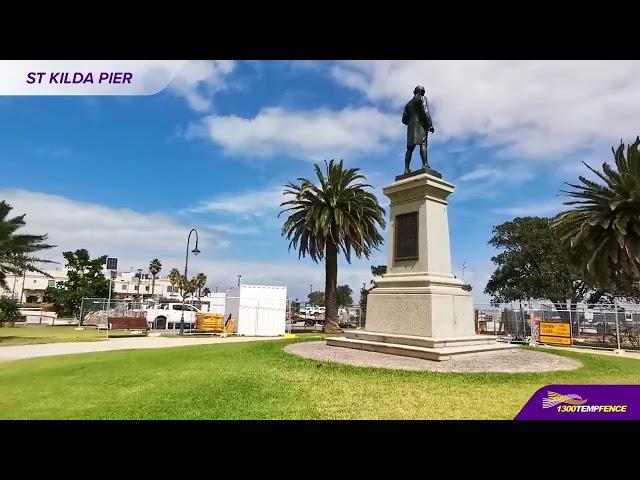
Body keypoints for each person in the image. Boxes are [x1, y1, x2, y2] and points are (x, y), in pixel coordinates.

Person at [402, 85, 434, 174]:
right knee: (423, 144)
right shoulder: (422, 98)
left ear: (414, 92)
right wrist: (430, 125)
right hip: (420, 125)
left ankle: (406, 169)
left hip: (411, 127)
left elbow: (404, 120)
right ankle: (425, 164)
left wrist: (411, 122)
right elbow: (425, 111)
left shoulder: (408, 104)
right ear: (422, 92)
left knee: (409, 149)